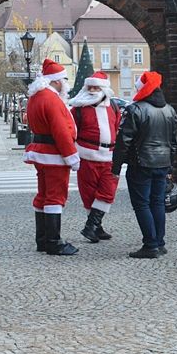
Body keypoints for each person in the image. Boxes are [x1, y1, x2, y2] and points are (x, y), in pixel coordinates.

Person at [112, 71, 177, 258]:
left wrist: (115, 168)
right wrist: (170, 166)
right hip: (162, 163)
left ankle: (150, 245)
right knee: (157, 202)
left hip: (141, 163)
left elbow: (123, 141)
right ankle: (159, 242)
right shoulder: (170, 110)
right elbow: (174, 142)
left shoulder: (135, 110)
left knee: (142, 204)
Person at [23, 59, 80, 256]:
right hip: (55, 154)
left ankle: (42, 240)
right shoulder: (52, 99)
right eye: (64, 79)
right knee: (55, 197)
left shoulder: (35, 97)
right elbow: (61, 131)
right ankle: (54, 242)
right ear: (56, 81)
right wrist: (72, 156)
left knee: (43, 195)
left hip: (41, 153)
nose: (66, 83)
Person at [69, 71, 121, 243]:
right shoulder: (78, 108)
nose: (92, 89)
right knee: (89, 193)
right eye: (89, 86)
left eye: (96, 86)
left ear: (104, 88)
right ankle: (96, 227)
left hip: (109, 156)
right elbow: (71, 131)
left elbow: (118, 128)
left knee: (107, 191)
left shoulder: (113, 107)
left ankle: (91, 226)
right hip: (86, 155)